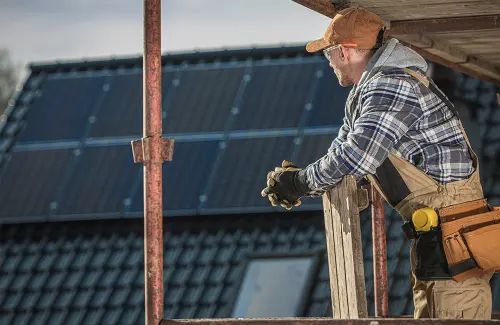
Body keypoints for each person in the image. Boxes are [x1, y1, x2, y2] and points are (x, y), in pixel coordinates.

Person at [261, 7, 494, 320]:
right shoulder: (366, 92)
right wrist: (299, 181)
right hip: (437, 241)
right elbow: (342, 153)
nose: (328, 62)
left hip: (454, 243)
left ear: (343, 51)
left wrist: (300, 182)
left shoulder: (391, 85)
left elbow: (358, 156)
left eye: (328, 54)